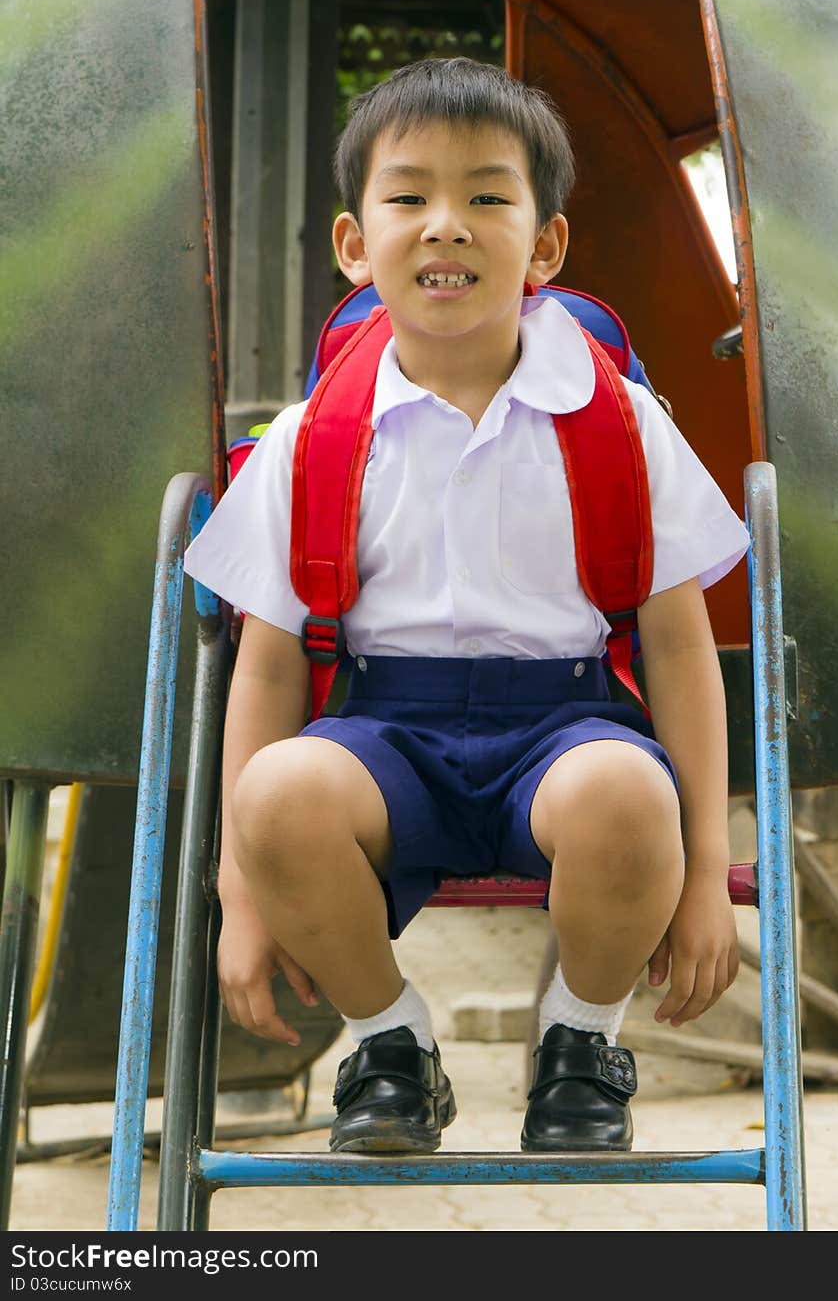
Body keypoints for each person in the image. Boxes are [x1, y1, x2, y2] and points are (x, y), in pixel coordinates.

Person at [183, 56, 749, 1155]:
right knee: (274, 790)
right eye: (409, 197)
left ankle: (581, 1040)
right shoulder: (311, 439)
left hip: (566, 726)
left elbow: (679, 650)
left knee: (632, 794)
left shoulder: (619, 420)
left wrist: (704, 875)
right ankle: (389, 1043)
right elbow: (263, 668)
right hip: (383, 734)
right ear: (357, 243)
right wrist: (235, 891)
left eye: (488, 196)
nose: (446, 225)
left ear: (543, 246)